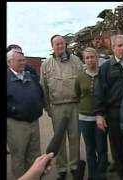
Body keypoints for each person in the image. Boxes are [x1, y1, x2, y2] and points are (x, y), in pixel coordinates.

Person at [40, 34, 85, 180]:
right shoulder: (46, 64)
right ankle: (61, 168)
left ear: (65, 45)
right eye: (57, 44)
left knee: (74, 137)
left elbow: (83, 83)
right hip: (57, 106)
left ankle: (73, 166)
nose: (60, 46)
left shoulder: (76, 61)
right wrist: (48, 108)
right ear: (52, 46)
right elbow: (43, 88)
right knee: (59, 139)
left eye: (62, 44)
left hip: (74, 105)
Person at [94, 34, 123, 180]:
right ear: (113, 48)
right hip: (115, 114)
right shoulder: (106, 68)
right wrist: (99, 114)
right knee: (119, 152)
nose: (122, 48)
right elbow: (100, 91)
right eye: (119, 46)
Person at [7, 49, 44, 179]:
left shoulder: (30, 76)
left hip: (34, 122)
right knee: (19, 157)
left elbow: (40, 93)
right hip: (16, 125)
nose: (23, 63)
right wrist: (14, 109)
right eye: (19, 61)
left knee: (34, 156)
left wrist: (39, 106)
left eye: (24, 60)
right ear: (9, 62)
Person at [75, 47, 108, 180]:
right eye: (87, 58)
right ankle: (93, 175)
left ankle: (101, 175)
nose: (90, 60)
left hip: (101, 118)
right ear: (84, 60)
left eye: (92, 57)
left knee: (101, 148)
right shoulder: (80, 76)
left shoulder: (104, 74)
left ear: (97, 58)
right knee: (90, 148)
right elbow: (77, 94)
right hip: (84, 118)